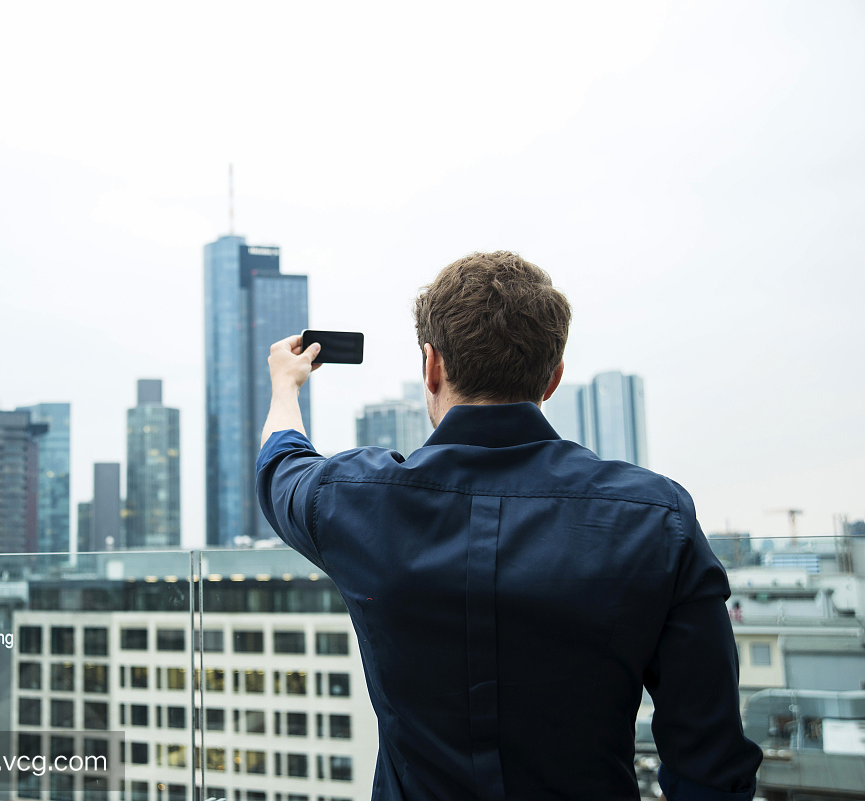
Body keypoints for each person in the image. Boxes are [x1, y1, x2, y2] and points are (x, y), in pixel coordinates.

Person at [255, 252, 762, 800]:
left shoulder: (356, 498)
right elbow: (710, 760)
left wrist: (287, 385)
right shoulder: (656, 517)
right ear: (553, 378)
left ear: (432, 365)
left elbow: (281, 466)